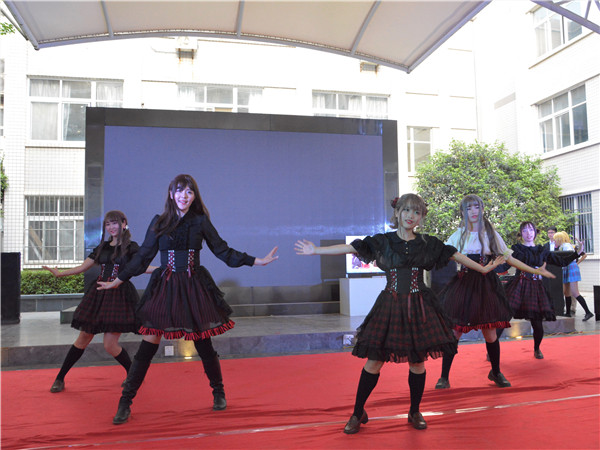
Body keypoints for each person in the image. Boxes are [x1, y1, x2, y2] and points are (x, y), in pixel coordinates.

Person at [295, 193, 505, 432]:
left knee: (417, 362)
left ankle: (414, 411)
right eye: (406, 210)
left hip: (419, 306)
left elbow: (455, 255)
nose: (410, 216)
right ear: (397, 213)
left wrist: (483, 269)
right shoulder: (383, 241)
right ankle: (357, 412)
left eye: (416, 212)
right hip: (390, 306)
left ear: (421, 217)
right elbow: (351, 247)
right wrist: (316, 250)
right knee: (374, 361)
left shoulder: (427, 243)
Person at [98, 174, 278, 425]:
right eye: (180, 190)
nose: (184, 195)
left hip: (194, 287)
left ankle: (218, 392)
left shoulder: (200, 221)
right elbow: (143, 257)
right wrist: (119, 280)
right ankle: (125, 401)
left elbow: (223, 250)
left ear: (194, 196)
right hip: (165, 287)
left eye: (190, 191)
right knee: (147, 347)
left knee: (204, 344)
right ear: (171, 194)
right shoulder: (159, 222)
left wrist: (257, 261)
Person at [435, 195, 554, 391]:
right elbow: (443, 256)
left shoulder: (491, 235)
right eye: (468, 208)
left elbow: (510, 259)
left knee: (490, 333)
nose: (473, 211)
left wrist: (535, 270)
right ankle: (444, 376)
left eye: (476, 207)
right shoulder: (457, 235)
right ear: (463, 212)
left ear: (482, 209)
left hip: (486, 286)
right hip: (464, 285)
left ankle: (496, 372)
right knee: (455, 331)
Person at [43, 210, 152, 393]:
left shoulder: (131, 247)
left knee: (109, 345)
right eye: (108, 224)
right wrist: (60, 274)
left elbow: (142, 267)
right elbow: (82, 267)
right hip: (99, 293)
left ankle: (132, 374)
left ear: (124, 223)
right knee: (83, 338)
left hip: (119, 295)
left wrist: (164, 270)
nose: (111, 227)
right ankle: (60, 378)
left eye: (114, 223)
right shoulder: (102, 247)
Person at [502, 222, 581, 359]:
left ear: (535, 232)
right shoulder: (516, 249)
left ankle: (536, 349)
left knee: (537, 324)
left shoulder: (542, 250)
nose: (528, 233)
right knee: (503, 319)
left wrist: (577, 253)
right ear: (521, 233)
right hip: (519, 286)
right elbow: (504, 265)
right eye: (525, 230)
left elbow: (561, 262)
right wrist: (487, 267)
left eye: (531, 229)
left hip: (535, 288)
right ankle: (492, 348)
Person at [553, 231, 593, 321]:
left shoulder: (566, 246)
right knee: (567, 293)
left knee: (575, 292)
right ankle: (568, 313)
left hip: (570, 268)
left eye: (555, 239)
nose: (554, 241)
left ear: (559, 239)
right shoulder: (563, 246)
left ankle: (588, 312)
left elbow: (571, 257)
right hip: (567, 268)